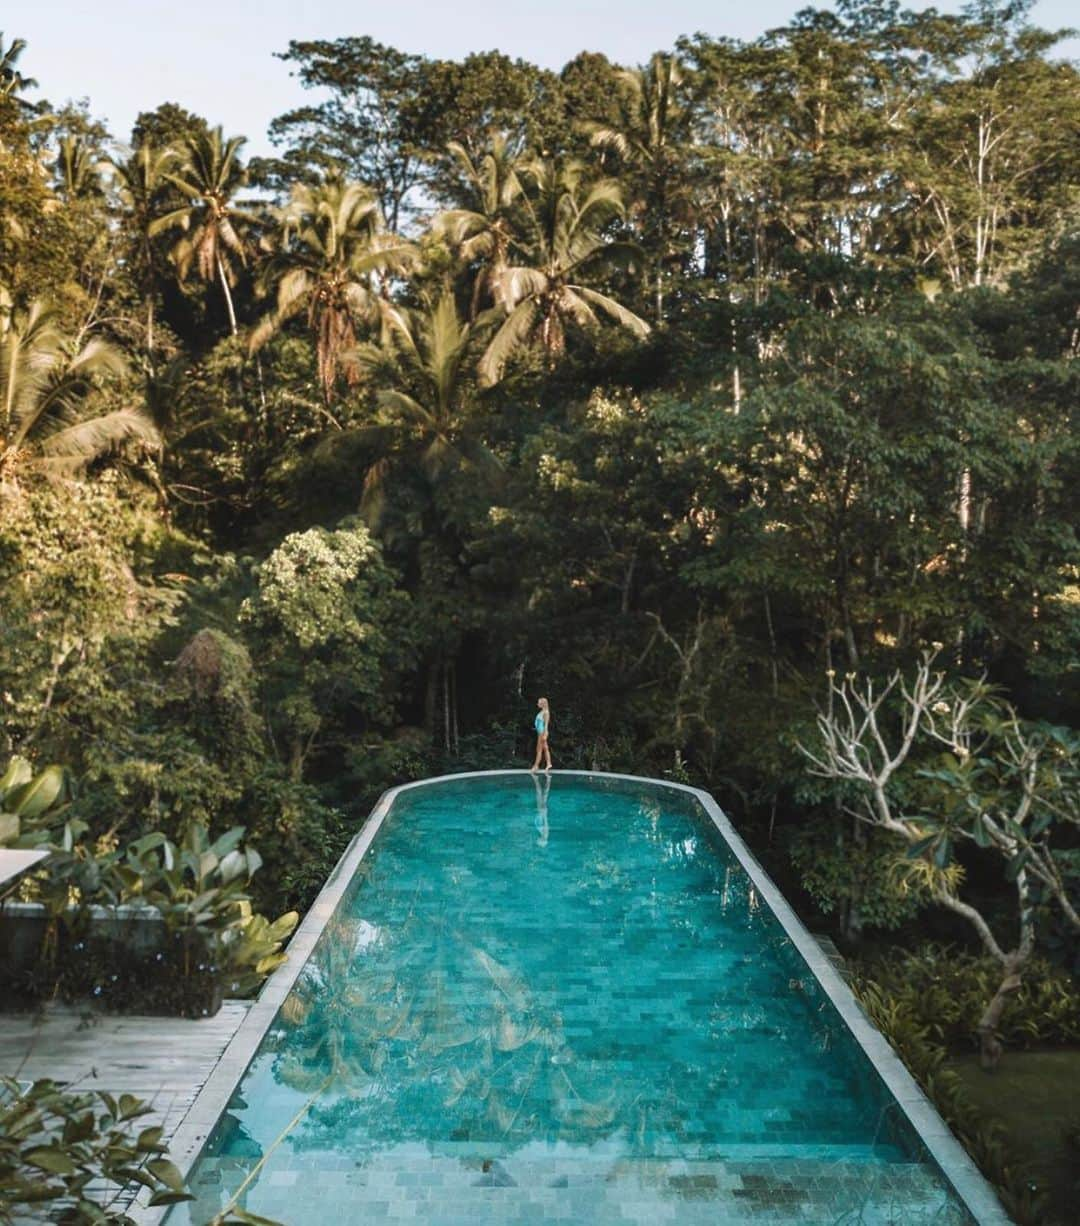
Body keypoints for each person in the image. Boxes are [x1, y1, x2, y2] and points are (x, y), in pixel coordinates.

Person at [531, 696, 552, 772]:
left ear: (543, 704)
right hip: (539, 732)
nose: (537, 704)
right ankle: (549, 763)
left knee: (539, 750)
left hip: (542, 732)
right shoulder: (542, 712)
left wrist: (545, 734)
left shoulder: (546, 712)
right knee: (545, 748)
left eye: (539, 703)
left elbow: (546, 725)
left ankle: (536, 766)